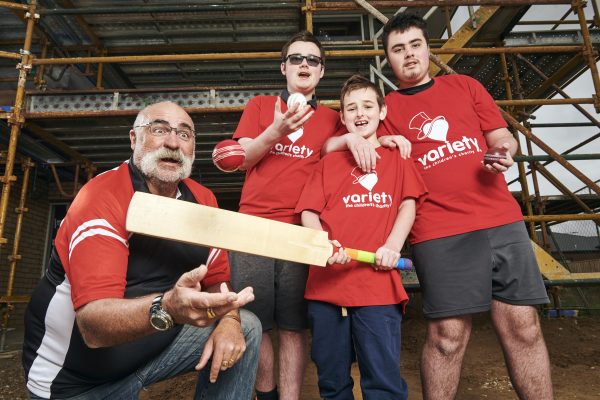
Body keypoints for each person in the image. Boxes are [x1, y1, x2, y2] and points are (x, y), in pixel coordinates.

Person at [326, 13, 553, 400]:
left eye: (415, 45)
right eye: (398, 49)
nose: (409, 54)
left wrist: (503, 151)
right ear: (388, 60)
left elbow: (501, 135)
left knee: (524, 326)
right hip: (438, 229)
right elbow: (333, 145)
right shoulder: (384, 109)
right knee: (448, 336)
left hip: (500, 220)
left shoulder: (464, 86)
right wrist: (355, 142)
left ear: (428, 48)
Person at [22, 101, 262, 400]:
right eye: (159, 130)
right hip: (76, 383)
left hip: (150, 355)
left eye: (185, 134)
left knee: (246, 327)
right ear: (134, 139)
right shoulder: (102, 198)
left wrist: (229, 321)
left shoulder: (203, 199)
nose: (173, 142)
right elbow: (93, 327)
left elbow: (217, 278)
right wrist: (169, 307)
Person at [296, 75, 427, 400]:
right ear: (341, 118)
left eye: (368, 106)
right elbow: (308, 213)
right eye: (351, 108)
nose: (360, 113)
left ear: (382, 111)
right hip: (327, 290)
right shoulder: (328, 163)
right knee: (332, 381)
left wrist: (392, 246)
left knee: (383, 382)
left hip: (378, 288)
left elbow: (407, 207)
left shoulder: (397, 159)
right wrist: (322, 242)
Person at [229, 31, 344, 400]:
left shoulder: (331, 118)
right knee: (256, 321)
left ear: (322, 71)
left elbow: (347, 154)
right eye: (297, 58)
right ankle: (265, 394)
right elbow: (241, 158)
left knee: (295, 325)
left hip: (301, 229)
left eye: (313, 59)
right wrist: (275, 130)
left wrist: (378, 140)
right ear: (284, 67)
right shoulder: (261, 106)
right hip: (253, 226)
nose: (304, 64)